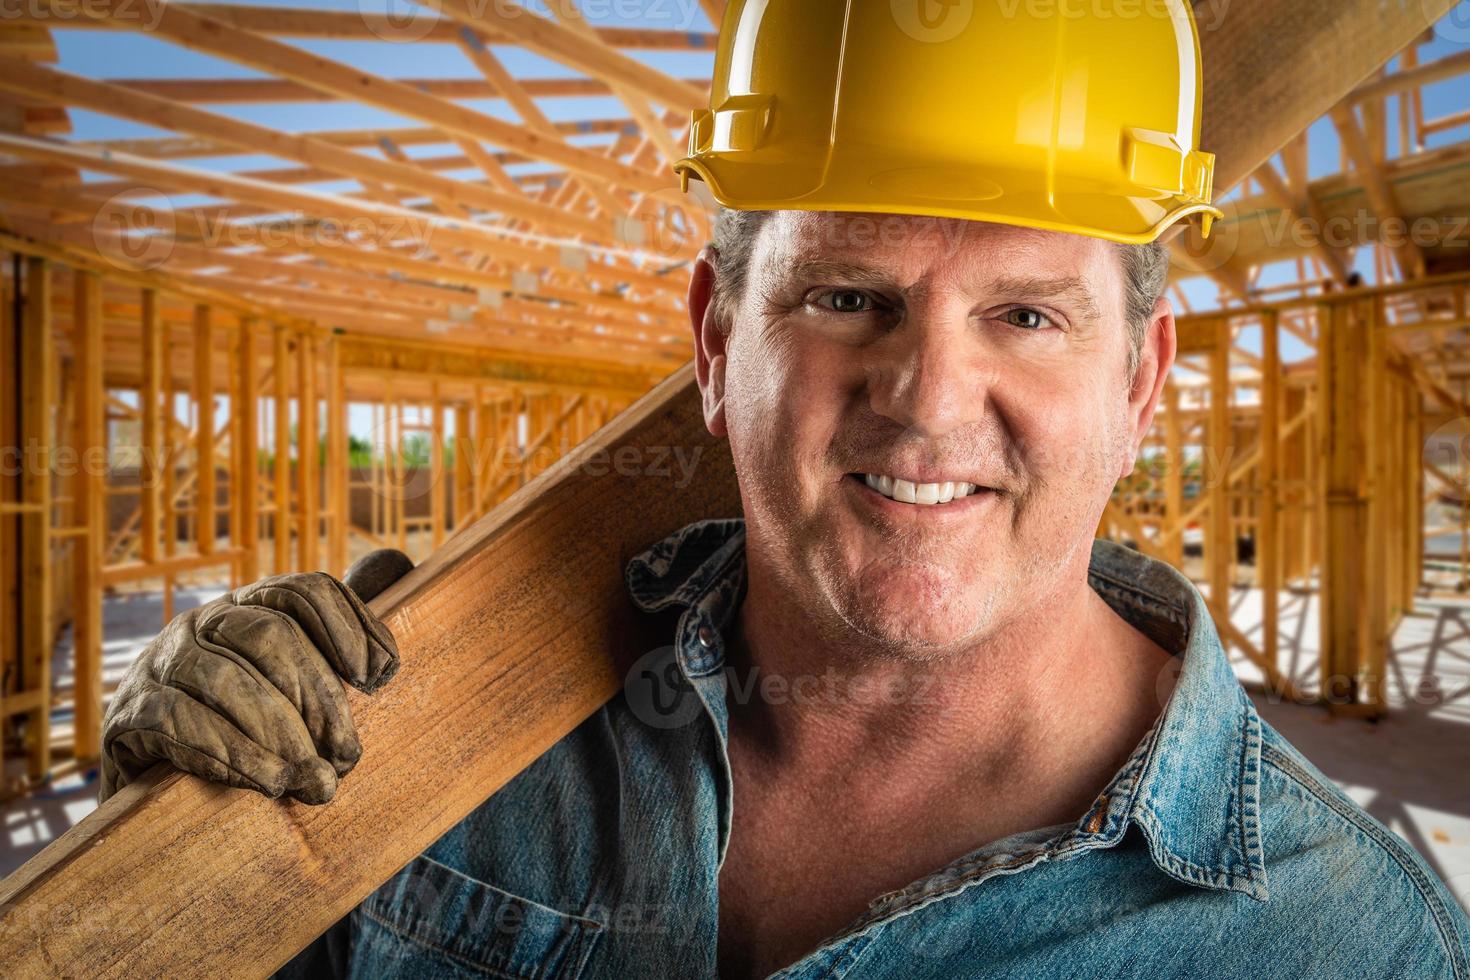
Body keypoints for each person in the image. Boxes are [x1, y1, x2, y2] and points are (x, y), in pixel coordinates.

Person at [101, 3, 1470, 977]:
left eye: (1027, 316)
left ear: (1140, 383)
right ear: (713, 343)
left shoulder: (1347, 940)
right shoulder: (437, 734)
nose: (927, 400)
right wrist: (177, 851)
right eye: (843, 296)